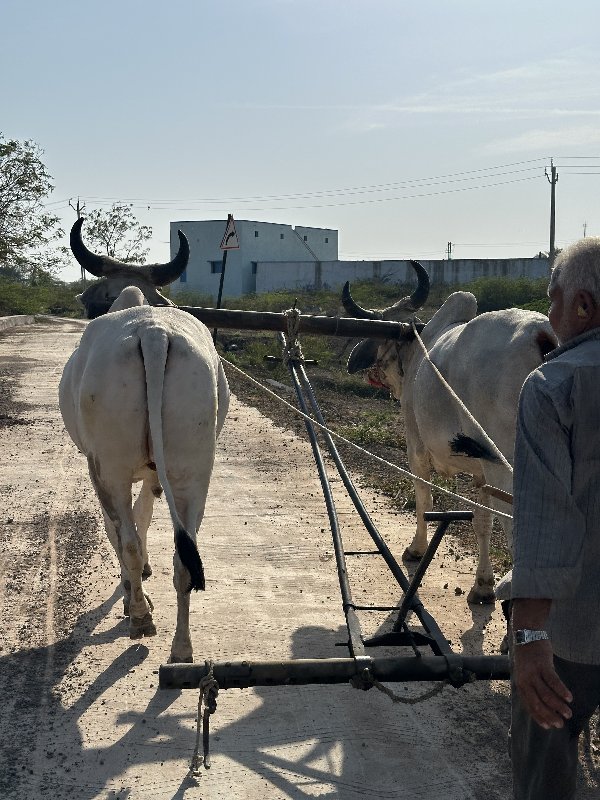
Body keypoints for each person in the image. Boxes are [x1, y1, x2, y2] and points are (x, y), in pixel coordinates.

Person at [510, 237, 600, 799]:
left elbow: (545, 522)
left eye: (553, 299)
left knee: (544, 753)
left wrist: (530, 638)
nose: (549, 313)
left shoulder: (552, 386)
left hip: (571, 637)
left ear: (583, 306)